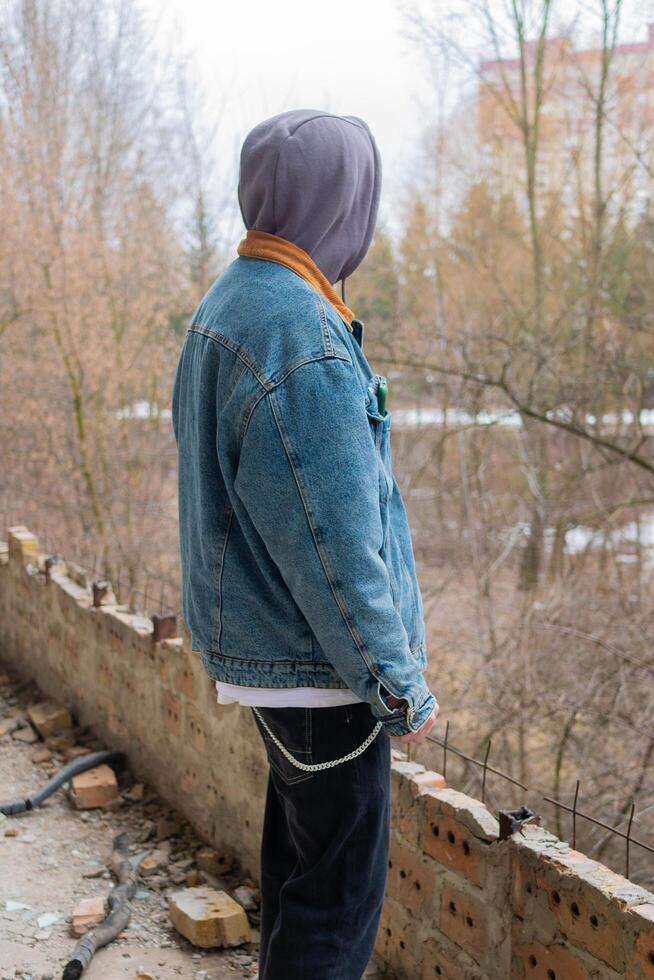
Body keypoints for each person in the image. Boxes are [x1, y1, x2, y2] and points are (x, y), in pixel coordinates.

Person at [171, 108, 439, 980]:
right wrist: (397, 687)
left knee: (298, 874)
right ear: (345, 202)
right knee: (337, 904)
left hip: (266, 658)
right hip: (321, 674)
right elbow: (335, 547)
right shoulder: (304, 337)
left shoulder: (228, 300)